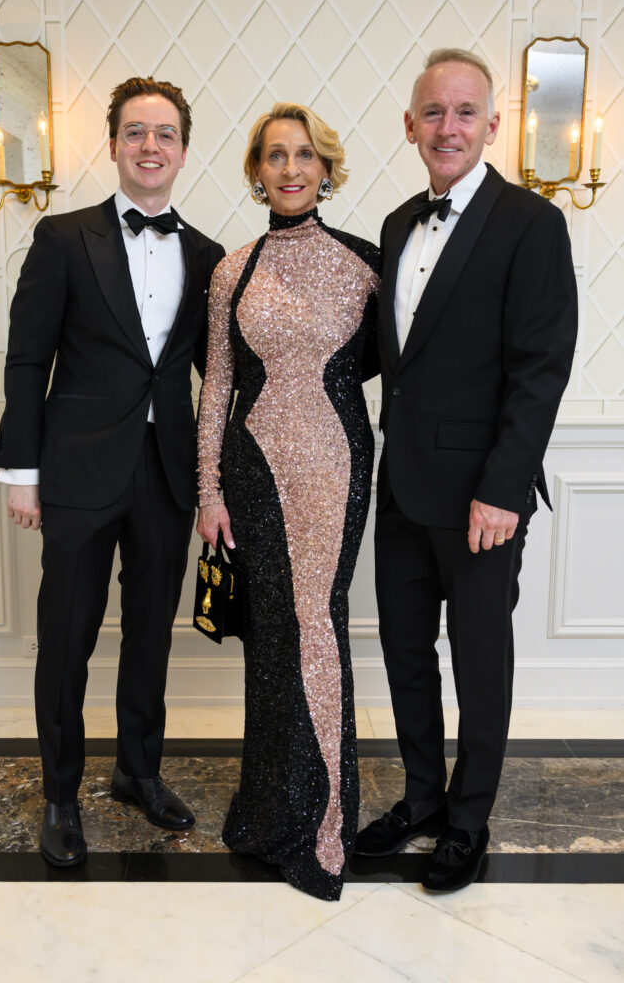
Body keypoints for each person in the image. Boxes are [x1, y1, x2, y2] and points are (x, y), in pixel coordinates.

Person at [355, 49, 578, 891]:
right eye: (432, 112)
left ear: (491, 124)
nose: (446, 127)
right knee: (405, 654)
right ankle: (421, 798)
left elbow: (539, 368)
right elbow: (395, 357)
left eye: (462, 112)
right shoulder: (394, 225)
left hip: (482, 496)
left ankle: (467, 817)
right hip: (401, 485)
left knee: (480, 661)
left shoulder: (530, 223)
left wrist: (502, 489)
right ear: (408, 125)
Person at [0, 76, 224, 867]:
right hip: (78, 472)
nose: (149, 146)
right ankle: (60, 794)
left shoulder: (208, 256)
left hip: (165, 474)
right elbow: (28, 360)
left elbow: (218, 376)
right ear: (115, 143)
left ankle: (138, 771)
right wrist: (21, 472)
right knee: (67, 637)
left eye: (164, 134)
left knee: (150, 636)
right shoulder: (63, 238)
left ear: (183, 150)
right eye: (135, 132)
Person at [196, 103, 379, 901]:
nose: (291, 168)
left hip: (336, 462)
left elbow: (401, 362)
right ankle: (267, 813)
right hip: (251, 472)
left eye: (304, 154)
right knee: (270, 636)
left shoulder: (366, 263)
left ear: (325, 168)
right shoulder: (232, 270)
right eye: (275, 155)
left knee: (316, 621)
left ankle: (323, 824)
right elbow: (217, 389)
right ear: (256, 171)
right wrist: (208, 491)